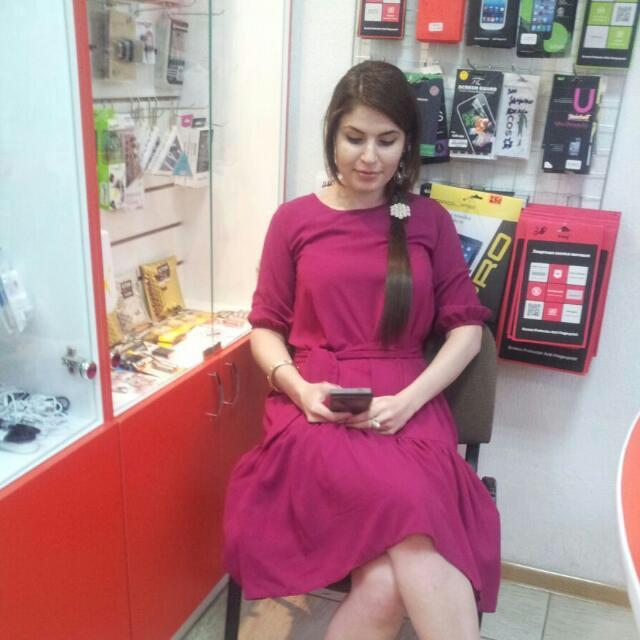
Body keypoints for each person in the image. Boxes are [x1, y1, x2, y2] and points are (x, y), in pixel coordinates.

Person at [223, 60, 500, 640]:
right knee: (414, 514)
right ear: (332, 134)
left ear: (407, 144)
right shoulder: (294, 220)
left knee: (384, 582)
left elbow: (468, 331)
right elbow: (265, 328)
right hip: (318, 409)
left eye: (387, 140)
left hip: (411, 405)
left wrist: (408, 401)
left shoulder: (424, 218)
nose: (369, 157)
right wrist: (300, 389)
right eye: (354, 138)